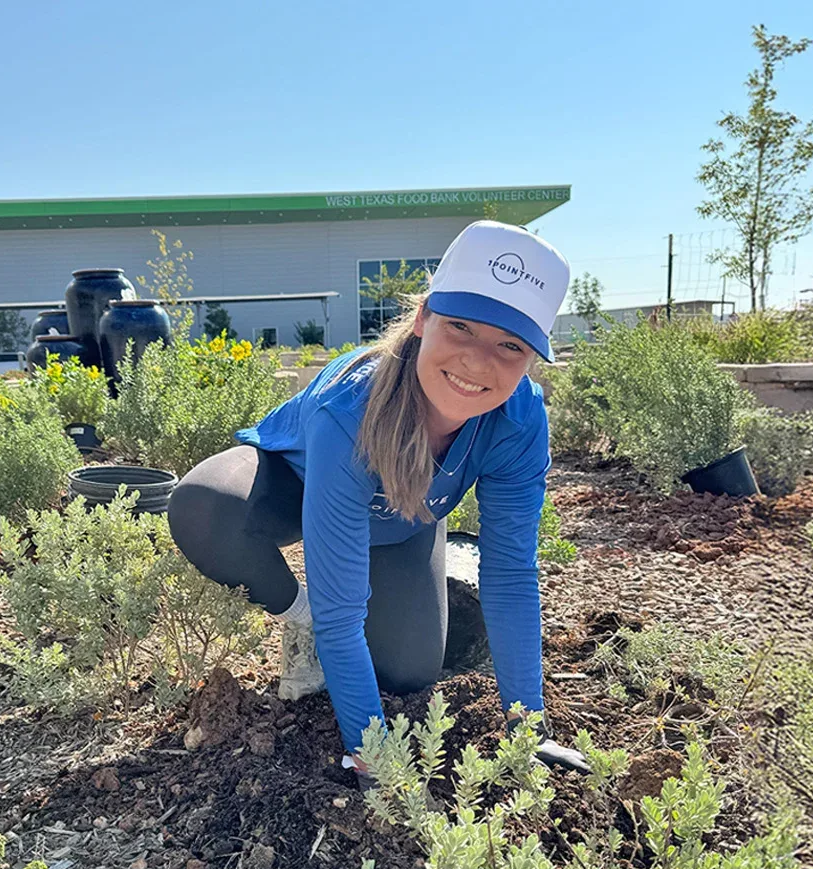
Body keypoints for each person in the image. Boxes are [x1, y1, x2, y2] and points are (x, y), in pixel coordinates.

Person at [167, 220, 588, 782]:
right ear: (422, 319)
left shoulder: (519, 420)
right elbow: (344, 613)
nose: (476, 362)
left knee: (410, 670)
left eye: (510, 345)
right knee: (204, 507)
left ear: (532, 359)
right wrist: (372, 754)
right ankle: (299, 617)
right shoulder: (350, 411)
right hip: (292, 484)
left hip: (404, 519)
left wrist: (525, 729)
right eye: (460, 326)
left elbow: (511, 573)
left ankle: (363, 621)